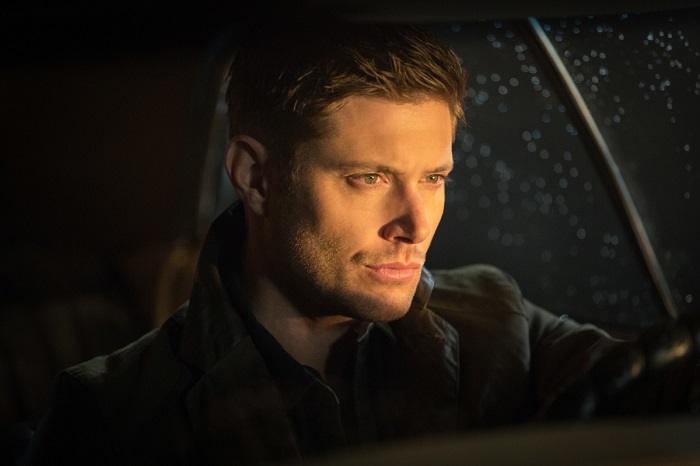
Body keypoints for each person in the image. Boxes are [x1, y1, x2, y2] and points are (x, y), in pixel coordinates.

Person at [24, 19, 698, 465]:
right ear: (256, 178)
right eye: (369, 177)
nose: (416, 224)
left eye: (434, 178)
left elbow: (663, 385)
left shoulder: (498, 324)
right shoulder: (111, 413)